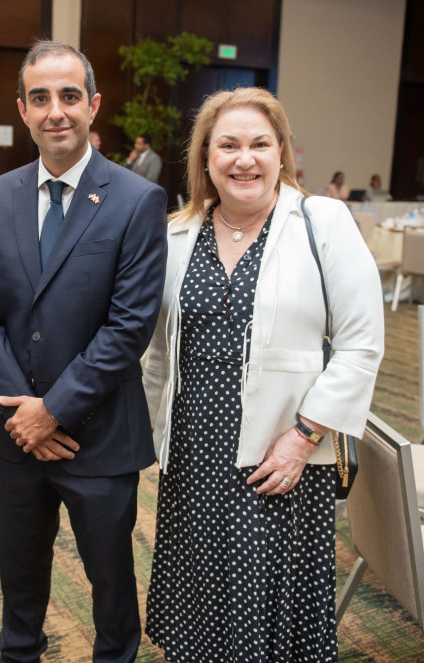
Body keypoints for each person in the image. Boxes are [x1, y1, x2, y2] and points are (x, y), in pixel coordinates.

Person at [143, 87, 384, 662]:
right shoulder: (178, 235)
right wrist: (149, 436)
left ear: (283, 153)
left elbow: (361, 344)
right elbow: (156, 352)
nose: (243, 158)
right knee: (200, 593)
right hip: (193, 451)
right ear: (205, 157)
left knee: (265, 600)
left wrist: (304, 437)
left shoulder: (320, 222)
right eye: (227, 145)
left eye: (259, 144)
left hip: (281, 452)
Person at [0, 40, 167, 663]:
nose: (57, 111)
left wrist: (53, 409)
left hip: (99, 436)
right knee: (19, 583)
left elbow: (129, 327)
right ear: (22, 109)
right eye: (41, 98)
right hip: (16, 436)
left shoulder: (136, 199)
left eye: (70, 96)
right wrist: (25, 415)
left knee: (111, 589)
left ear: (93, 105)